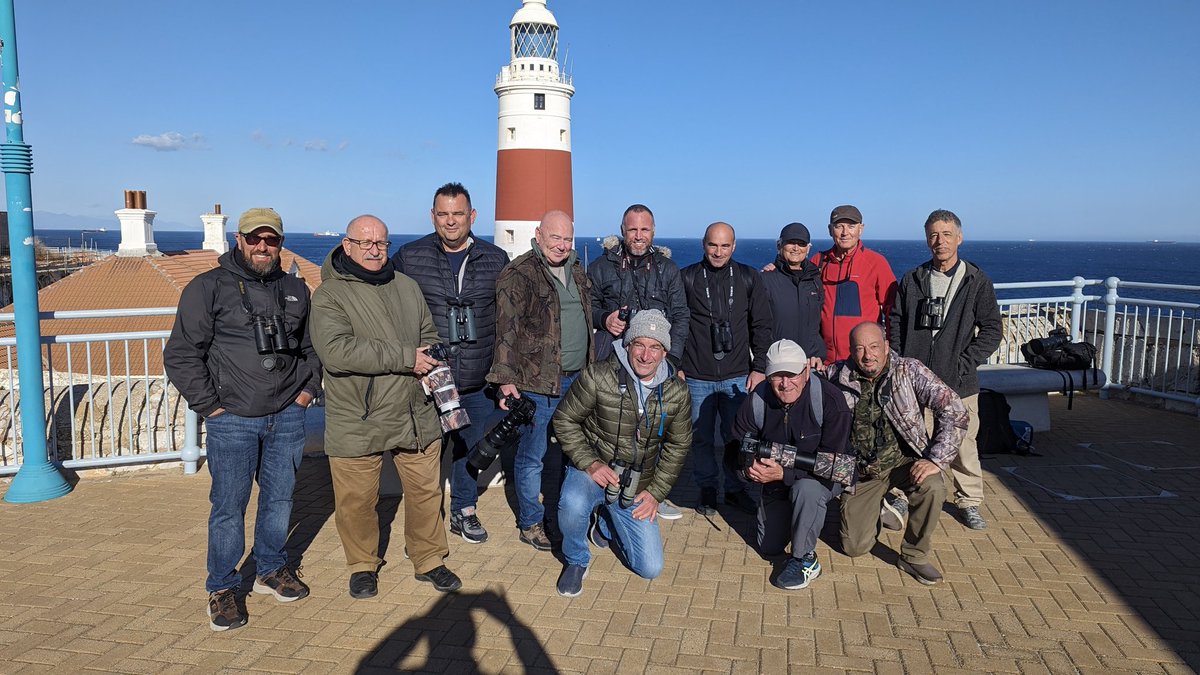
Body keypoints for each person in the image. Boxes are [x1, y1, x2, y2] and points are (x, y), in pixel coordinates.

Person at [164, 207, 320, 632]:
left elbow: (312, 349)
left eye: (272, 240)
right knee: (229, 508)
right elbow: (180, 354)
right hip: (231, 419)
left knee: (280, 500)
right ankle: (222, 587)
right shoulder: (208, 287)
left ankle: (271, 568)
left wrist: (306, 394)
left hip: (287, 415)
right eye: (255, 239)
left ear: (281, 243)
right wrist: (212, 407)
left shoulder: (294, 289)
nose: (263, 247)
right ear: (239, 239)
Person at [309, 215, 462, 599]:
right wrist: (406, 357)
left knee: (427, 492)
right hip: (359, 414)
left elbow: (428, 333)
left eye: (382, 243)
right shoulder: (329, 295)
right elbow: (336, 351)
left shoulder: (406, 286)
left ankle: (428, 559)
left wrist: (428, 357)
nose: (376, 250)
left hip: (414, 409)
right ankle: (362, 565)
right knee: (357, 500)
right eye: (366, 243)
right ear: (347, 246)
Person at [393, 182, 509, 544]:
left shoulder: (495, 258)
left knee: (469, 451)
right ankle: (425, 525)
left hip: (477, 377)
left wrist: (504, 373)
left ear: (472, 216)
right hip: (429, 378)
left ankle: (464, 509)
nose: (450, 221)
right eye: (442, 214)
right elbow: (389, 309)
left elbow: (508, 320)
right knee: (426, 454)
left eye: (458, 214)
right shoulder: (409, 257)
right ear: (432, 216)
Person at [551, 309, 692, 596]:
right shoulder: (597, 376)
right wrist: (589, 463)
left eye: (655, 347)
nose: (645, 355)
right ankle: (577, 559)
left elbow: (678, 446)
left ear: (664, 353)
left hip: (636, 483)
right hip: (593, 471)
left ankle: (605, 522)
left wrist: (655, 494)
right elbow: (564, 420)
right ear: (626, 345)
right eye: (639, 344)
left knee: (650, 568)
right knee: (572, 504)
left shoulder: (676, 391)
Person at [887, 209, 1003, 530]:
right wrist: (901, 363)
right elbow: (896, 322)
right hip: (917, 382)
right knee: (912, 440)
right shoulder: (913, 279)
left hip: (960, 383)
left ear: (959, 237)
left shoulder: (975, 281)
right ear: (927, 239)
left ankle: (968, 501)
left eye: (946, 234)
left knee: (964, 447)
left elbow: (992, 329)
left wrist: (963, 363)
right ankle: (903, 491)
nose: (940, 241)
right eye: (933, 235)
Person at [828, 322, 968, 585]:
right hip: (863, 472)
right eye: (859, 348)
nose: (868, 355)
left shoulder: (909, 370)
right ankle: (878, 506)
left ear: (886, 346)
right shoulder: (835, 375)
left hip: (905, 463)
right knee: (854, 547)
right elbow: (798, 388)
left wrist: (935, 459)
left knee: (933, 487)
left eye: (873, 347)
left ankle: (913, 556)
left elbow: (954, 409)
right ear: (850, 351)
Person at [487, 210, 593, 551]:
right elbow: (505, 330)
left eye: (567, 239)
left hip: (578, 380)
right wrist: (504, 379)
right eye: (555, 238)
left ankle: (565, 515)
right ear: (538, 234)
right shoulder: (518, 273)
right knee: (532, 456)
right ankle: (531, 521)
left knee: (572, 451)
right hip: (537, 382)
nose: (561, 245)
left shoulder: (577, 269)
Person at [586, 203, 690, 520]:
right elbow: (584, 306)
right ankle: (602, 502)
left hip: (654, 364)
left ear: (653, 232)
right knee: (609, 430)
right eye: (633, 229)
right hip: (612, 363)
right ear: (622, 230)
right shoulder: (602, 268)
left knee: (653, 434)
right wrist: (605, 318)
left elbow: (681, 317)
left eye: (644, 230)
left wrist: (670, 360)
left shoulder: (668, 270)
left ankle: (649, 494)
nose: (639, 236)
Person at [732, 339, 852, 590]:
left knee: (806, 491)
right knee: (769, 547)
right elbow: (733, 449)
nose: (785, 384)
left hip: (819, 480)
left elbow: (833, 465)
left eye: (792, 375)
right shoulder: (756, 401)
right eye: (777, 376)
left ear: (806, 372)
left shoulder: (830, 400)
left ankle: (805, 559)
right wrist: (749, 470)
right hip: (776, 484)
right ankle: (800, 518)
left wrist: (784, 474)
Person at [679, 222, 774, 515]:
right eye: (712, 245)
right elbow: (677, 325)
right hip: (696, 375)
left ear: (733, 246)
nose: (718, 252)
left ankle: (735, 489)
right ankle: (707, 489)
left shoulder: (748, 278)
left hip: (738, 376)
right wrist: (678, 365)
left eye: (724, 246)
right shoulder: (688, 278)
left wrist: (759, 368)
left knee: (738, 438)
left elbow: (762, 325)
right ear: (703, 244)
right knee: (702, 438)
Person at [811, 205, 897, 363]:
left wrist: (890, 352)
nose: (845, 233)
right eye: (839, 226)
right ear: (830, 230)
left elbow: (893, 310)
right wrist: (777, 267)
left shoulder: (876, 263)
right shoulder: (818, 261)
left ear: (861, 229)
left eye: (851, 226)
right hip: (825, 363)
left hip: (863, 362)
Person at [760, 222, 825, 368]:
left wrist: (818, 354)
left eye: (801, 244)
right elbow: (757, 326)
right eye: (791, 242)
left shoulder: (815, 282)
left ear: (808, 248)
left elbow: (818, 324)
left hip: (811, 364)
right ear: (779, 245)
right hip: (778, 364)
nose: (796, 248)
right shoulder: (766, 280)